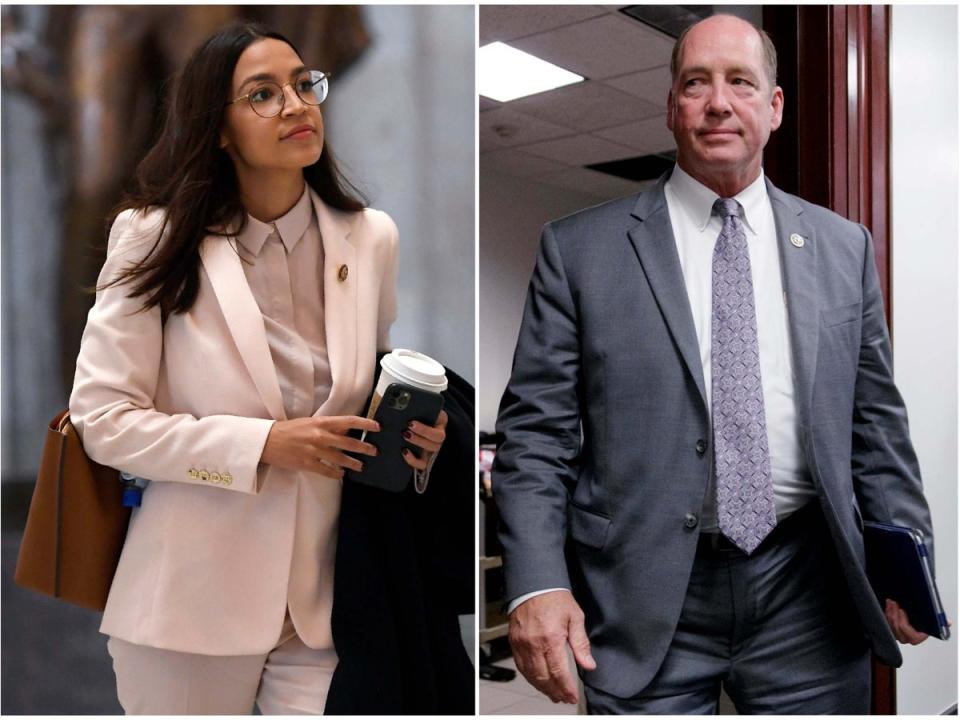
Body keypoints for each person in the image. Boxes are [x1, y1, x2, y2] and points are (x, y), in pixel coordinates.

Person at [493, 13, 935, 715]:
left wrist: (907, 559)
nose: (719, 102)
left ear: (774, 106)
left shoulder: (842, 247)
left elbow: (876, 423)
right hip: (640, 594)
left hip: (809, 593)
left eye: (740, 82)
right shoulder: (580, 251)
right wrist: (537, 583)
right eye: (696, 83)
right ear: (672, 106)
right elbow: (535, 438)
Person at [69, 23, 448, 715]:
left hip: (328, 605)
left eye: (305, 85)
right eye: (263, 95)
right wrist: (264, 446)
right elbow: (105, 423)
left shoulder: (370, 240)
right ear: (216, 128)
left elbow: (367, 393)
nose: (298, 105)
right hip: (187, 608)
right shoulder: (152, 238)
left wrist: (414, 445)